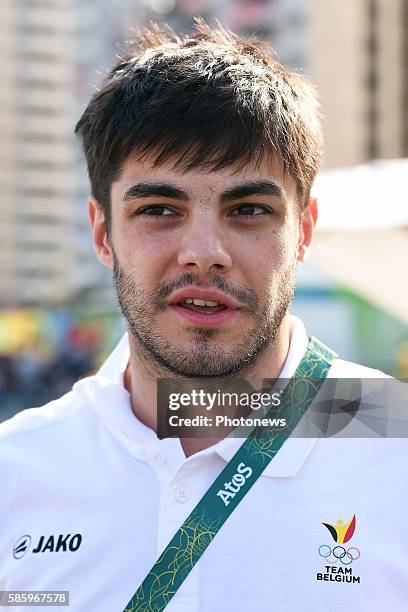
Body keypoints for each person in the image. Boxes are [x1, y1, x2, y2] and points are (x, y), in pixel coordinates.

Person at [1, 20, 407, 612]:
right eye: (160, 209)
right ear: (102, 232)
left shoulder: (396, 442)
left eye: (248, 210)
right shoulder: (17, 468)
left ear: (304, 232)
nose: (205, 252)